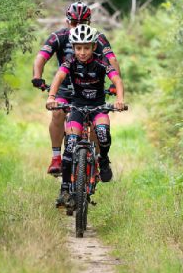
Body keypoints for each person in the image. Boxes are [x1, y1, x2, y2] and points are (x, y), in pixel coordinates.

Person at [31, 1, 120, 176]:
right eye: (74, 23)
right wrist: (37, 77)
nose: (77, 26)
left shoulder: (97, 37)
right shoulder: (58, 36)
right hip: (65, 89)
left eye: (82, 23)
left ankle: (94, 160)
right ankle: (56, 157)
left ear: (89, 23)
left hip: (92, 91)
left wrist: (113, 85)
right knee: (57, 113)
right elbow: (41, 57)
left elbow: (112, 61)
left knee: (96, 126)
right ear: (67, 21)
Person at [45, 24, 125, 209]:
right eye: (78, 48)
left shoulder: (101, 62)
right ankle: (65, 188)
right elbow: (58, 77)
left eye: (86, 48)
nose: (82, 52)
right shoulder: (70, 62)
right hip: (77, 106)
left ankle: (103, 160)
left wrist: (119, 99)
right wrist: (51, 97)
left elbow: (116, 79)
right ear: (73, 48)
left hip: (98, 107)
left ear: (94, 47)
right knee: (71, 144)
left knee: (103, 133)